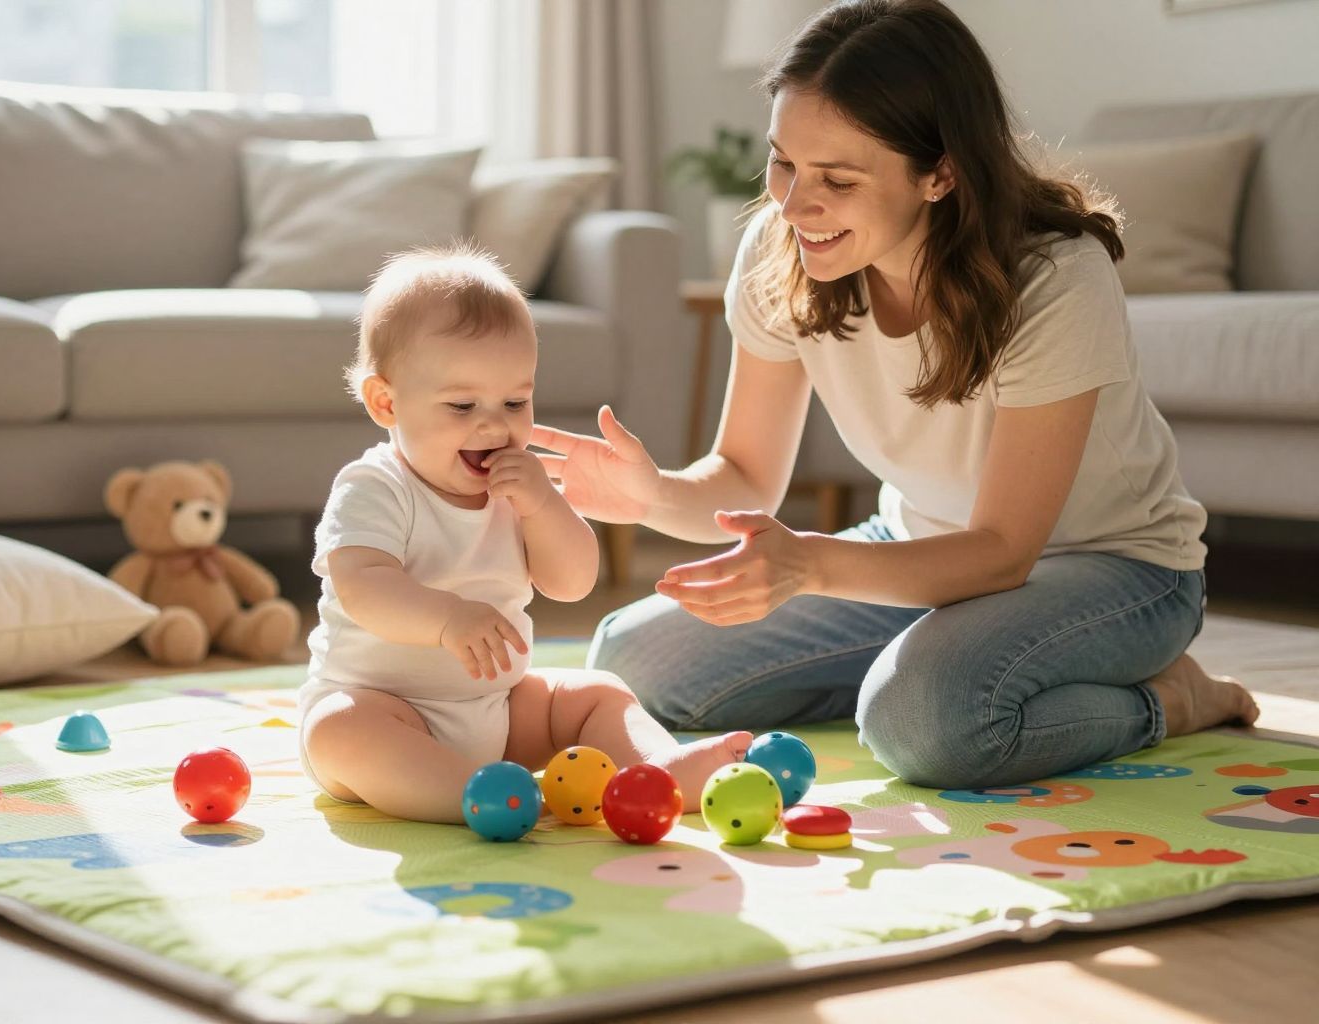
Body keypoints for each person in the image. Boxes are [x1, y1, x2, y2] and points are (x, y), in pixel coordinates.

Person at [531, 0, 1258, 792]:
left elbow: (1003, 550)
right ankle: (945, 658)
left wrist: (810, 565)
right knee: (635, 662)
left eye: (837, 180)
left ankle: (1171, 699)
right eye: (783, 163)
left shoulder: (1053, 276)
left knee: (918, 721)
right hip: (916, 550)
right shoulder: (781, 252)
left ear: (940, 172)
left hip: (1116, 571)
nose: (794, 205)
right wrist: (651, 496)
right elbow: (744, 478)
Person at [297, 243, 751, 824]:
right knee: (338, 729)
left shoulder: (518, 486)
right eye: (462, 405)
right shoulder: (375, 486)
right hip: (387, 708)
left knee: (597, 693)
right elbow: (364, 587)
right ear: (386, 402)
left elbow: (572, 582)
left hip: (498, 708)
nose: (494, 424)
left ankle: (658, 771)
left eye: (515, 401)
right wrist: (448, 618)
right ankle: (478, 798)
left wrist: (542, 506)